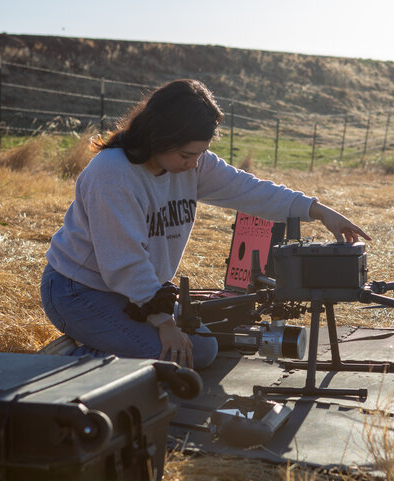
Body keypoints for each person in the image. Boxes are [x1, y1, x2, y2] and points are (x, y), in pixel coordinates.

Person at [40, 79, 370, 370]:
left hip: (132, 291)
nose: (195, 164)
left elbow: (251, 191)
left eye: (201, 153)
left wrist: (318, 210)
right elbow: (123, 263)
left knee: (205, 348)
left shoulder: (193, 166)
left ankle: (109, 345)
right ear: (159, 136)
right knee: (181, 357)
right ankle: (58, 365)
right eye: (186, 155)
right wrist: (164, 323)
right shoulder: (112, 175)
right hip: (79, 291)